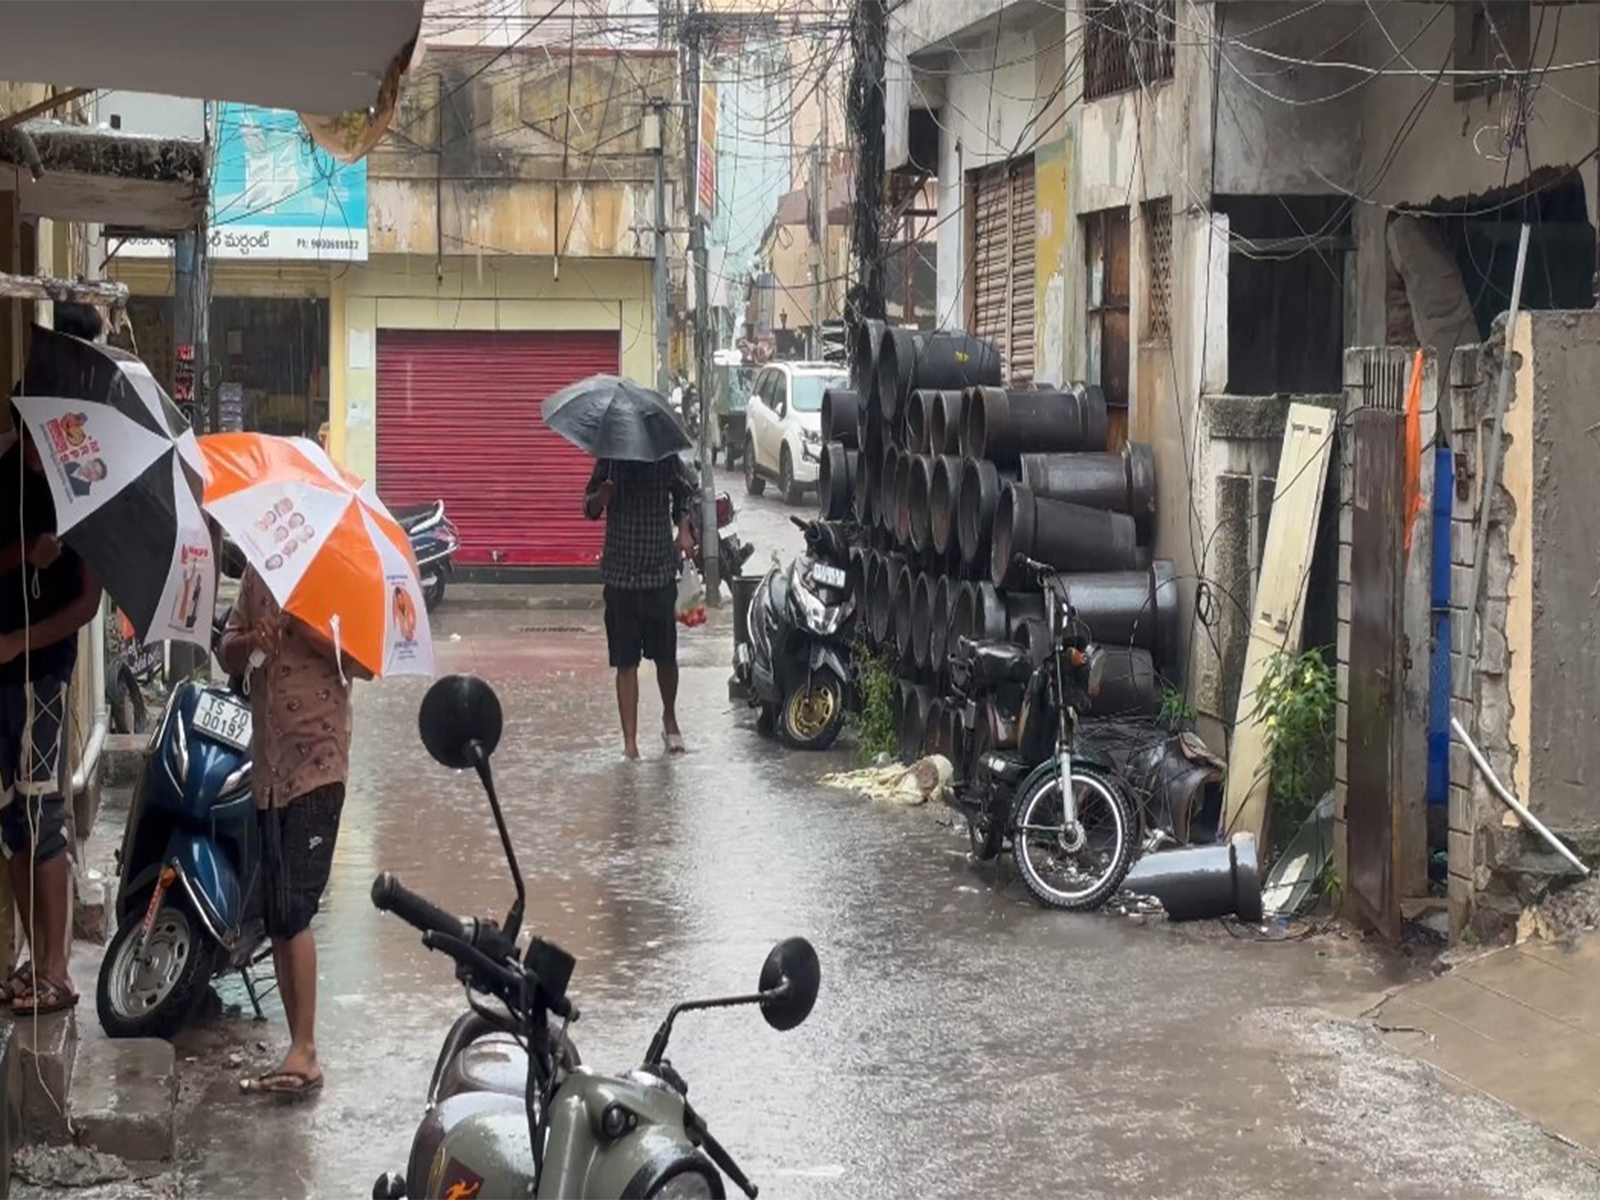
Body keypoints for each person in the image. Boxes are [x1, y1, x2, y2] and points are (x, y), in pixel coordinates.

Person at [220, 568, 367, 1097]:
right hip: (269, 769)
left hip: (318, 766)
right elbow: (227, 651)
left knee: (297, 906)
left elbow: (362, 663)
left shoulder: (337, 579)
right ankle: (296, 1048)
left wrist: (306, 628)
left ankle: (306, 1049)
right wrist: (249, 643)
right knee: (279, 911)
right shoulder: (258, 578)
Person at [0, 422, 103, 1015]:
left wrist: (23, 642)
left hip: (45, 671)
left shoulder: (82, 485)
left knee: (44, 812)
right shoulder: (6, 477)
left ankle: (57, 970)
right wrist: (24, 556)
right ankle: (35, 962)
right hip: (3, 668)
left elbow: (87, 604)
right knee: (12, 818)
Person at [584, 455, 697, 758]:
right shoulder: (609, 462)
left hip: (659, 573)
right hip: (620, 576)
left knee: (666, 658)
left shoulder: (665, 458)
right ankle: (630, 744)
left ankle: (669, 718)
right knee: (625, 662)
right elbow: (588, 507)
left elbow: (686, 493)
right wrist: (602, 496)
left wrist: (684, 528)